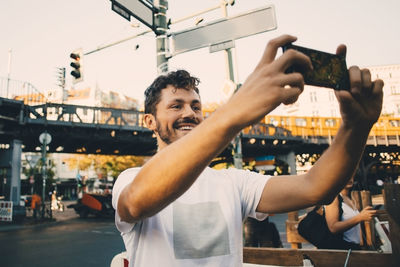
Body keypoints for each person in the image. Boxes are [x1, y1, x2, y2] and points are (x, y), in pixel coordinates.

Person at [112, 34, 383, 266]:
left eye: (196, 106)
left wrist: (356, 127)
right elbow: (137, 200)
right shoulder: (130, 179)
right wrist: (233, 112)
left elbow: (316, 187)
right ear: (150, 121)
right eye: (176, 106)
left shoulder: (233, 182)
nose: (190, 113)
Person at [325, 176, 378, 249]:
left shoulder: (349, 198)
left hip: (355, 247)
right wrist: (360, 217)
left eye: (351, 176)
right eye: (346, 175)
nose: (350, 179)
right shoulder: (334, 198)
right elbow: (333, 228)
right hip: (343, 249)